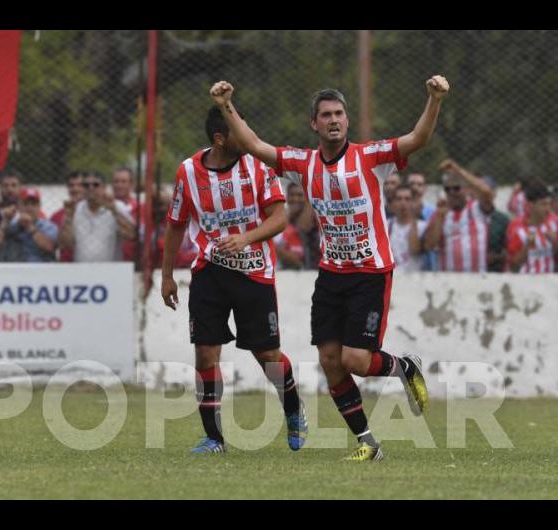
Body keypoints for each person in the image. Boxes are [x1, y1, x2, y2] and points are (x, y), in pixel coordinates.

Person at [209, 74, 447, 461]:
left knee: (356, 359)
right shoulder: (303, 164)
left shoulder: (371, 157)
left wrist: (434, 99)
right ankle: (367, 444)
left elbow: (417, 139)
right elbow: (253, 144)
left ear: (347, 121)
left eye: (339, 113)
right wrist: (226, 106)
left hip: (370, 273)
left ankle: (405, 367)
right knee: (330, 362)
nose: (334, 119)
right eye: (326, 115)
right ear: (314, 124)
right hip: (332, 275)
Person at [161, 106, 307, 455]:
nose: (247, 135)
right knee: (205, 354)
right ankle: (214, 439)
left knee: (267, 355)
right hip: (209, 272)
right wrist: (166, 275)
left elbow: (279, 219)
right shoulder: (188, 172)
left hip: (254, 271)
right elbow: (176, 223)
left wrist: (247, 237)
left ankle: (293, 411)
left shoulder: (259, 166)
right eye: (237, 130)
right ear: (219, 138)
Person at [423, 159, 495, 272]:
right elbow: (430, 245)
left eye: (456, 188)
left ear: (466, 189)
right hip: (448, 280)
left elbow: (486, 192)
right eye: (447, 189)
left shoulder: (476, 208)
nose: (452, 192)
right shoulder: (439, 213)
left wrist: (458, 170)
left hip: (477, 278)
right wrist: (439, 217)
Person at [57, 171, 136, 262]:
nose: (91, 188)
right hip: (82, 271)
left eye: (96, 185)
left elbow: (131, 235)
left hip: (111, 271)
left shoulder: (118, 206)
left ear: (104, 187)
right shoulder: (75, 209)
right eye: (86, 185)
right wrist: (68, 217)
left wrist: (114, 211)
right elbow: (64, 245)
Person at [0, 188, 58, 262]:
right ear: (18, 207)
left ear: (39, 207)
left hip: (41, 269)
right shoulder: (11, 225)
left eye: (34, 204)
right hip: (13, 270)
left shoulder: (48, 226)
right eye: (25, 204)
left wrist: (30, 226)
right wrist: (5, 221)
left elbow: (49, 247)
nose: (29, 208)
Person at [507, 180, 557, 273]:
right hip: (526, 283)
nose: (547, 208)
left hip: (551, 284)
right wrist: (527, 246)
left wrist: (555, 242)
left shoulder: (555, 222)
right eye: (543, 204)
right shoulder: (517, 227)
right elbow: (513, 266)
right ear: (531, 204)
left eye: (549, 204)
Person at [274, 181, 318, 270]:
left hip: (311, 271)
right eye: (292, 195)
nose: (295, 199)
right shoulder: (282, 217)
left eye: (299, 195)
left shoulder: (315, 217)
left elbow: (304, 226)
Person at [387, 185, 427, 272]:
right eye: (399, 199)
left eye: (407, 199)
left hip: (415, 281)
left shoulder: (423, 226)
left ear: (413, 202)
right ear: (393, 203)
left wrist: (414, 220)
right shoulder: (386, 225)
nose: (403, 203)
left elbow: (414, 250)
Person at [50, 171, 86, 262]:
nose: (75, 189)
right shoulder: (57, 216)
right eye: (71, 185)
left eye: (79, 185)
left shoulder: (94, 213)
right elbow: (53, 245)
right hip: (66, 266)